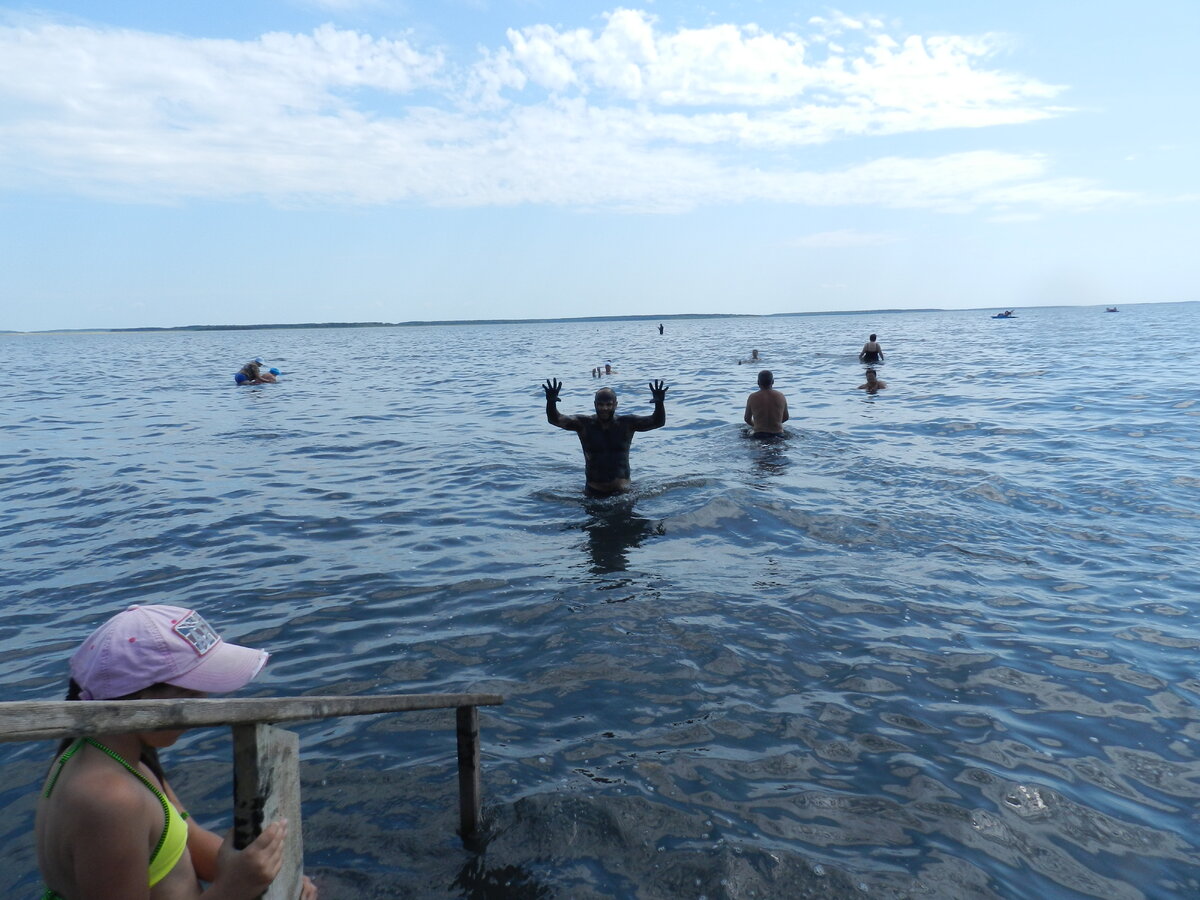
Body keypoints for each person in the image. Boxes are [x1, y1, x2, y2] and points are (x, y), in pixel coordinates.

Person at [35, 604, 318, 900]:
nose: (204, 706)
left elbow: (189, 843)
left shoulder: (121, 761)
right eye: (192, 693)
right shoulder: (111, 799)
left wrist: (273, 873)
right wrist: (234, 889)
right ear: (141, 697)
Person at [542, 378, 668, 494]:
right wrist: (551, 401)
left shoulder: (627, 424)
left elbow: (657, 422)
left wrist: (659, 403)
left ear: (615, 405)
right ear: (595, 404)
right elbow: (555, 419)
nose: (604, 408)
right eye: (601, 405)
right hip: (593, 492)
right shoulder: (584, 425)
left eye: (609, 404)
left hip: (623, 492)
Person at [743, 370, 789, 437]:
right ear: (773, 382)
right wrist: (774, 423)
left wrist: (757, 425)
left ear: (758, 382)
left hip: (759, 434)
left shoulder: (752, 397)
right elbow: (786, 417)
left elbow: (747, 419)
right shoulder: (780, 396)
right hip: (778, 434)